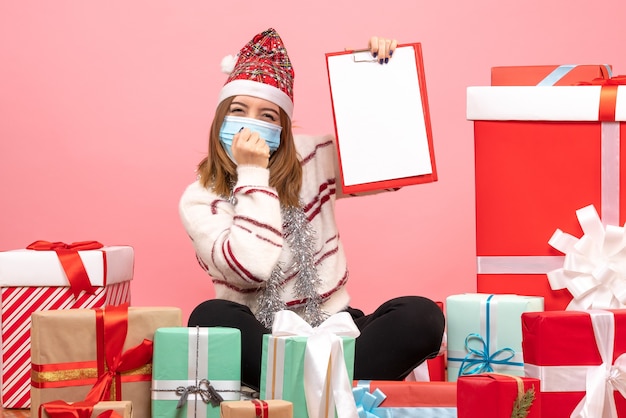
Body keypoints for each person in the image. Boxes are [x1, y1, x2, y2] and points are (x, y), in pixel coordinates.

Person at [179, 28, 445, 390]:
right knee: (208, 318)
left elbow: (390, 164)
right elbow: (250, 269)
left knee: (422, 315)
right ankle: (332, 389)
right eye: (238, 111)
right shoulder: (200, 198)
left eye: (268, 115)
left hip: (337, 329)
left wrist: (376, 74)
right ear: (219, 121)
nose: (251, 124)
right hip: (263, 335)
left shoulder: (311, 157)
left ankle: (297, 388)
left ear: (283, 128)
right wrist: (253, 172)